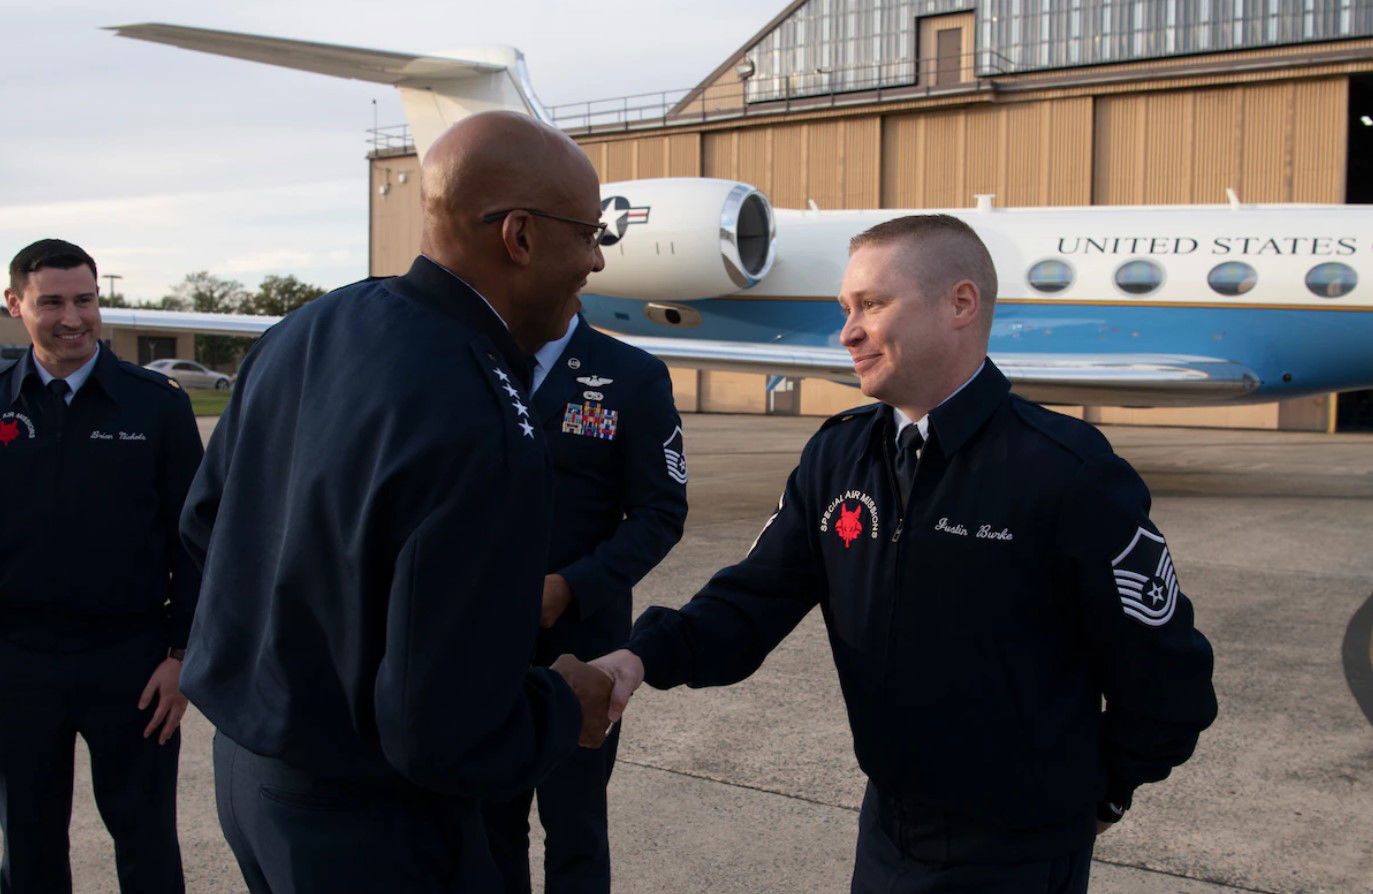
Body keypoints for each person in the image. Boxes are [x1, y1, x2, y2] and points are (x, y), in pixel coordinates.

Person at [592, 215, 1218, 893]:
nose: (847, 332)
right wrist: (641, 655)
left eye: (872, 304)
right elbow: (751, 599)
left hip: (1020, 848)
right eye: (845, 308)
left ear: (960, 303)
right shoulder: (837, 457)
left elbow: (1165, 672)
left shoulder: (1065, 471)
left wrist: (1105, 793)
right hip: (888, 830)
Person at [178, 111, 615, 894]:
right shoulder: (481, 410)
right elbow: (438, 725)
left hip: (251, 777)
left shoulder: (307, 329)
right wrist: (561, 704)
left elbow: (209, 525)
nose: (595, 261)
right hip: (368, 819)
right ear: (518, 236)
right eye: (587, 234)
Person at [0, 238, 202, 894]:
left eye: (85, 300)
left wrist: (183, 654)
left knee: (146, 843)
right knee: (27, 846)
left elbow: (195, 540)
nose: (73, 318)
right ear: (14, 304)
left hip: (132, 662)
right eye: (52, 303)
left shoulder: (156, 404)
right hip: (17, 662)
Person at [482, 311, 688, 893]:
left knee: (576, 825)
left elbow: (660, 513)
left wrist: (572, 586)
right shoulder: (476, 361)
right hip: (483, 638)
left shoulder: (630, 374)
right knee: (488, 821)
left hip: (583, 643)